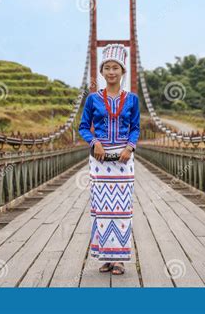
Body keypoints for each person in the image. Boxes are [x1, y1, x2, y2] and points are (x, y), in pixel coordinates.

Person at [78, 43, 140, 275]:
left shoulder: (132, 99)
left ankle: (120, 259)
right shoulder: (92, 99)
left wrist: (130, 147)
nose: (111, 72)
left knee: (122, 209)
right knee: (101, 208)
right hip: (100, 159)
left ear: (123, 71)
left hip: (124, 160)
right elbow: (83, 127)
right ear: (102, 72)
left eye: (116, 68)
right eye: (107, 67)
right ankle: (105, 257)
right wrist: (94, 142)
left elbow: (135, 128)